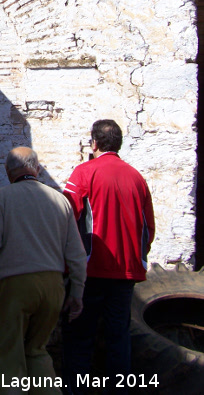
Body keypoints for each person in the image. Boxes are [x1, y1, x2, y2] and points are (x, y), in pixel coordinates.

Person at [0, 147, 87, 395]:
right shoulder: (60, 200)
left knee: (7, 354)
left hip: (15, 284)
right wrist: (77, 292)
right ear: (36, 169)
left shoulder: (1, 197)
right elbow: (76, 254)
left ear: (8, 172)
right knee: (37, 351)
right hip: (53, 287)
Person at [62, 119, 156, 394]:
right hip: (126, 274)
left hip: (90, 270)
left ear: (93, 143)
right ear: (119, 143)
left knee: (80, 338)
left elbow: (66, 219)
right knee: (119, 340)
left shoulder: (83, 173)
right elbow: (148, 228)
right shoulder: (137, 178)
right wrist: (137, 257)